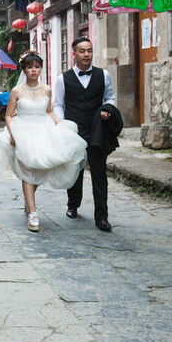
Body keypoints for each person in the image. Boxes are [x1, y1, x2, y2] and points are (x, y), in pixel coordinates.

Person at [0, 52, 87, 232]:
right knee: (27, 170)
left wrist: (59, 123)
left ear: (40, 69)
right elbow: (9, 115)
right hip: (23, 131)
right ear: (25, 70)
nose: (34, 70)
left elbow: (49, 110)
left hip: (43, 130)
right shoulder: (17, 91)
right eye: (30, 67)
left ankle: (28, 201)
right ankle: (33, 213)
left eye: (37, 67)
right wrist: (13, 134)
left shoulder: (47, 89)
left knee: (42, 167)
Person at [52, 36, 116, 231]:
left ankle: (102, 217)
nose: (86, 54)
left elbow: (110, 97)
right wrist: (64, 126)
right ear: (74, 54)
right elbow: (57, 104)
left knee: (99, 173)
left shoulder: (103, 75)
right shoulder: (63, 79)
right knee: (75, 169)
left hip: (97, 129)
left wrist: (107, 109)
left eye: (89, 50)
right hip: (74, 130)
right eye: (82, 51)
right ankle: (73, 204)